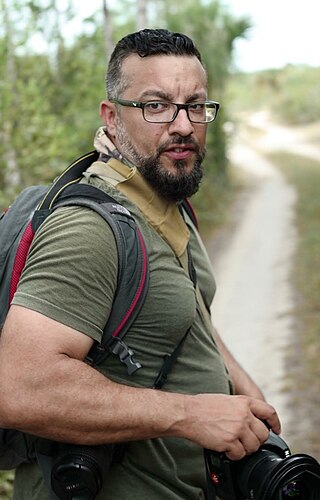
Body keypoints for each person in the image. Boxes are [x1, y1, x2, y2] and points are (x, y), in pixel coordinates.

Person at [0, 29, 280, 499]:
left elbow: (185, 310)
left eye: (196, 105)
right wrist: (190, 415)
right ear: (112, 118)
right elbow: (17, 387)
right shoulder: (88, 230)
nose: (184, 125)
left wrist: (236, 380)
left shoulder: (169, 201)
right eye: (155, 105)